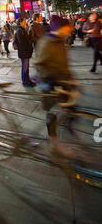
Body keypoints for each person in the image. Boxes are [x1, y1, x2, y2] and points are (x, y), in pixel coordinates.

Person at [34, 16, 78, 148]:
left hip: (62, 81)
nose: (70, 30)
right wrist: (51, 80)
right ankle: (53, 139)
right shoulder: (47, 42)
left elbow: (64, 64)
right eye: (67, 27)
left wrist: (72, 80)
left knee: (71, 108)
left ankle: (67, 127)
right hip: (49, 83)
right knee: (52, 113)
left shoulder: (60, 41)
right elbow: (38, 64)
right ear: (60, 28)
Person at [14, 18, 35, 88]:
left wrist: (29, 29)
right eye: (24, 21)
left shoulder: (22, 29)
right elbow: (22, 42)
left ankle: (27, 80)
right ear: (20, 22)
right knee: (25, 67)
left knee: (26, 67)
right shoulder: (19, 31)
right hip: (24, 52)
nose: (25, 22)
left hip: (25, 52)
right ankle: (25, 81)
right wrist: (28, 49)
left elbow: (28, 38)